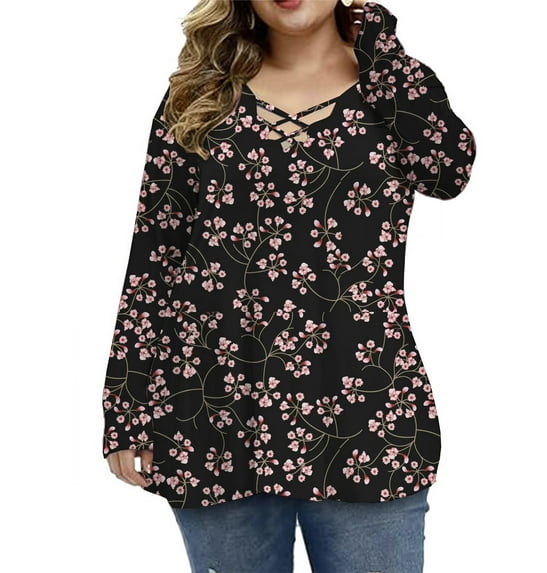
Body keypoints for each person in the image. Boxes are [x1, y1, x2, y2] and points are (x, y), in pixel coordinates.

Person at [101, 0, 477, 571]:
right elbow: (155, 256)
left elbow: (449, 172)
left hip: (364, 416)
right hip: (215, 417)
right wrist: (127, 404)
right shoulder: (198, 96)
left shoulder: (391, 83)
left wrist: (380, 48)